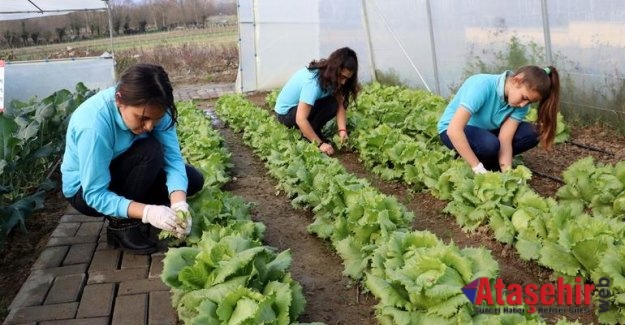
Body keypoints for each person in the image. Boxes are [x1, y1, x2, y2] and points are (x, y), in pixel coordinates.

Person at [61, 63, 204, 255]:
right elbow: (94, 194)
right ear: (119, 100)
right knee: (149, 150)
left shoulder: (156, 106)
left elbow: (173, 160)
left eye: (156, 119)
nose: (150, 126)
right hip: (84, 192)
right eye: (142, 118)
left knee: (193, 180)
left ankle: (141, 208)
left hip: (125, 170)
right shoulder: (94, 126)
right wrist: (148, 212)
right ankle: (121, 225)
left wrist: (179, 204)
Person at [437, 65, 560, 174]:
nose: (523, 104)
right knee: (490, 145)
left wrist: (508, 174)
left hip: (485, 132)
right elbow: (453, 130)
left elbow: (505, 140)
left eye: (530, 102)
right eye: (524, 97)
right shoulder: (482, 85)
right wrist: (477, 168)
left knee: (532, 133)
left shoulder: (521, 104)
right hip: (453, 130)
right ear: (516, 81)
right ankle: (472, 160)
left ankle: (490, 164)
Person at [274, 47, 360, 155]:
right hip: (286, 115)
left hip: (298, 111)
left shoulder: (331, 76)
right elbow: (300, 119)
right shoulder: (313, 82)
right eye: (342, 77)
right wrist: (320, 144)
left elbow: (340, 103)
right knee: (330, 104)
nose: (344, 82)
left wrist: (342, 131)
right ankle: (308, 136)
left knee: (334, 102)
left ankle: (312, 132)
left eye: (347, 78)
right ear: (335, 70)